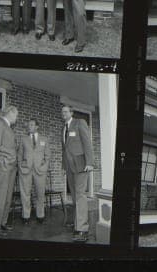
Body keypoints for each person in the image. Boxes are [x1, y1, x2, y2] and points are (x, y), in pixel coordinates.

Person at [61, 104, 94, 242]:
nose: (63, 113)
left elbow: (87, 143)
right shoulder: (63, 128)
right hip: (69, 167)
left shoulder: (80, 123)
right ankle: (77, 224)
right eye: (62, 112)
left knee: (80, 196)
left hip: (81, 166)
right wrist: (64, 166)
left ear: (71, 112)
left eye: (65, 111)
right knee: (75, 197)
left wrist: (89, 162)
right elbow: (65, 149)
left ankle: (82, 229)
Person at [0, 105, 18, 235]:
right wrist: (3, 163)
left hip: (11, 168)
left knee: (7, 197)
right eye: (16, 115)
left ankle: (2, 222)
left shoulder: (8, 127)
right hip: (3, 168)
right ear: (10, 113)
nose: (16, 118)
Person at [18, 117, 50, 224]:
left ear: (37, 127)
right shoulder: (23, 139)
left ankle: (40, 215)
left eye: (31, 125)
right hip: (26, 170)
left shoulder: (44, 139)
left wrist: (44, 167)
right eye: (28, 125)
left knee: (40, 193)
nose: (29, 126)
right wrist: (21, 166)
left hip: (40, 171)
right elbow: (19, 155)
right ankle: (26, 216)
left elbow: (48, 156)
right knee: (25, 194)